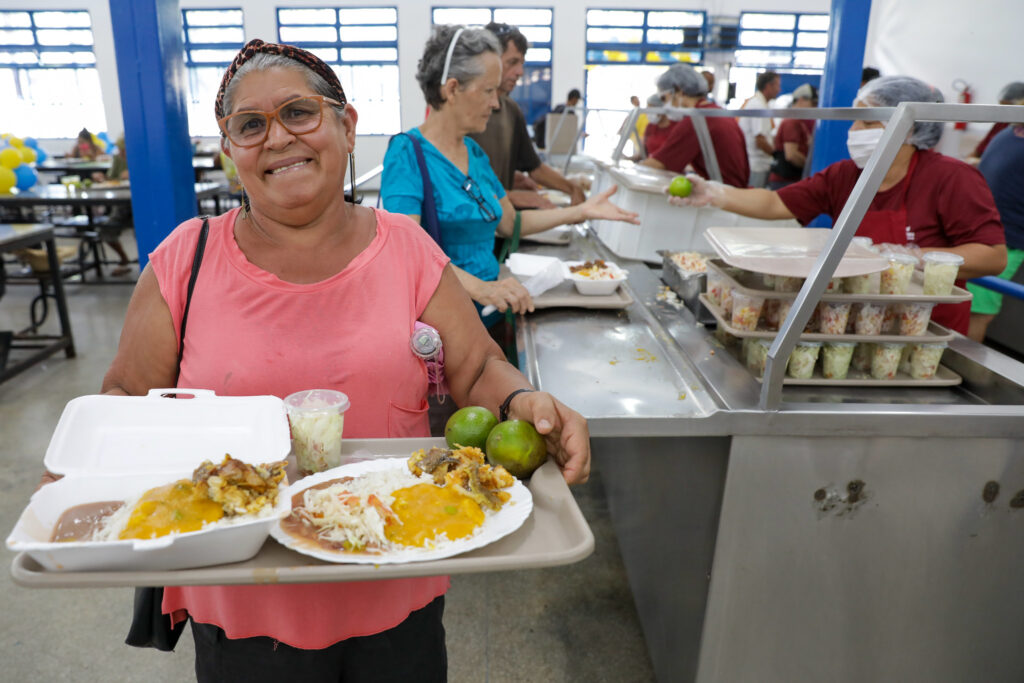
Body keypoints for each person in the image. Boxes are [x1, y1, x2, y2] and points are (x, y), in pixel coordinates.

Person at [43, 38, 593, 682]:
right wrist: (84, 469)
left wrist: (523, 401)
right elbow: (126, 400)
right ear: (230, 151)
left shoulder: (407, 249)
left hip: (396, 575)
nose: (278, 138)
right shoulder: (184, 262)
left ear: (347, 125)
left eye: (299, 113)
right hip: (242, 598)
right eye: (250, 125)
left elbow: (475, 369)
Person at [669, 76, 1007, 335]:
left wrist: (911, 257)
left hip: (926, 330)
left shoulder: (951, 178)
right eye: (856, 119)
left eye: (867, 121)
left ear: (909, 130)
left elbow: (993, 256)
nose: (854, 129)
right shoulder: (845, 175)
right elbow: (774, 202)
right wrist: (714, 193)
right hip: (856, 324)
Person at [381, 26, 639, 327]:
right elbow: (407, 253)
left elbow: (510, 223)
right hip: (445, 323)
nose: (495, 103)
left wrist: (580, 211)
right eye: (488, 91)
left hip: (489, 312)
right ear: (452, 89)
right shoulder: (406, 154)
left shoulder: (474, 153)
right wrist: (482, 289)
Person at [467, 22, 585, 209]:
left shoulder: (511, 111)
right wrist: (510, 196)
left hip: (501, 218)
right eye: (512, 62)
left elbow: (534, 168)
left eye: (522, 63)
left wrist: (572, 188)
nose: (520, 72)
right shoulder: (465, 112)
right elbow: (456, 182)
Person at [640, 63, 750, 188]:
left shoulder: (696, 120)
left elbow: (659, 164)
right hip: (733, 189)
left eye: (664, 98)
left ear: (679, 91)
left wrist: (632, 169)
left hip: (724, 192)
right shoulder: (714, 112)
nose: (665, 106)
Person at [967, 110, 1024, 341]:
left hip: (1006, 240)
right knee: (963, 304)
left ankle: (962, 362)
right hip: (973, 231)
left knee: (977, 310)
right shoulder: (1007, 132)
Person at [90, 134, 133, 275]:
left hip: (141, 205)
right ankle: (124, 259)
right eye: (120, 150)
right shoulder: (118, 159)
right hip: (121, 204)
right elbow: (111, 179)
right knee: (106, 229)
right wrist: (101, 177)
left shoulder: (144, 158)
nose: (121, 153)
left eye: (123, 150)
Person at [768, 84, 817, 190]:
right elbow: (791, 155)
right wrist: (809, 166)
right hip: (785, 180)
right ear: (801, 100)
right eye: (813, 103)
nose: (815, 107)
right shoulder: (792, 122)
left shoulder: (799, 121)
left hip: (789, 179)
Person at [739, 70, 781, 188]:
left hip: (758, 164)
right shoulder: (758, 106)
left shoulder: (761, 104)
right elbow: (760, 140)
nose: (779, 89)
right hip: (756, 165)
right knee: (752, 197)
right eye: (777, 85)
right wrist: (777, 155)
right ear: (768, 86)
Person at [966, 81, 1024, 164]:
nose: (1004, 113)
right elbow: (977, 151)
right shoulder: (1001, 123)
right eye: (1002, 107)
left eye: (1008, 107)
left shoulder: (1017, 132)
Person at [642, 93, 673, 158]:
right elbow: (642, 152)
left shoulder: (675, 127)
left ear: (662, 109)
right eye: (648, 110)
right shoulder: (650, 127)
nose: (649, 114)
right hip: (650, 163)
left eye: (652, 110)